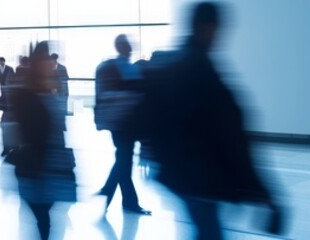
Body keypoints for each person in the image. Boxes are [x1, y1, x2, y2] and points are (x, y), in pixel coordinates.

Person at [139, 3, 285, 239]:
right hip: (203, 180)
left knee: (206, 230)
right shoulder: (201, 71)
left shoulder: (177, 68)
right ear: (209, 27)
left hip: (188, 179)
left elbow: (151, 121)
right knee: (209, 232)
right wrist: (260, 191)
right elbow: (231, 137)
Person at [6, 41, 77, 240]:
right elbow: (23, 130)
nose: (52, 64)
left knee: (46, 220)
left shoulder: (50, 87)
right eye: (47, 60)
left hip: (52, 165)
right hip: (36, 168)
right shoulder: (26, 93)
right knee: (44, 220)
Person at [92, 34, 152, 216]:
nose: (130, 47)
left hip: (120, 122)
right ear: (121, 47)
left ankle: (119, 197)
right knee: (124, 160)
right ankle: (115, 195)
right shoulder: (123, 68)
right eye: (127, 45)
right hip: (125, 122)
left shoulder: (115, 67)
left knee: (123, 160)